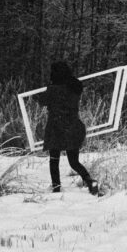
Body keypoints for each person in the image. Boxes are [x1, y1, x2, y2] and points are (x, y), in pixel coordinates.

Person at [36, 61, 99, 196]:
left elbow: (42, 101)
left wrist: (44, 90)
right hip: (73, 127)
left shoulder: (53, 89)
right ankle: (90, 181)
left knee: (54, 160)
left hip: (56, 129)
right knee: (74, 162)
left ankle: (56, 188)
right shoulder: (75, 87)